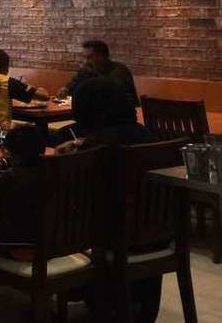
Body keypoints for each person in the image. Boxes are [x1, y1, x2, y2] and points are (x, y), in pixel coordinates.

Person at [55, 77, 158, 322]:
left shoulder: (97, 147)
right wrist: (81, 143)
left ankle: (73, 292)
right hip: (155, 233)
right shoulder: (148, 137)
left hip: (112, 237)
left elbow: (75, 195)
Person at [0, 125, 46, 257]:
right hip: (49, 240)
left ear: (15, 156)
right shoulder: (52, 170)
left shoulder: (12, 177)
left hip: (17, 244)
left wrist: (0, 162)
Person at [58, 40, 138, 107]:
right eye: (84, 57)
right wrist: (65, 90)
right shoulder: (86, 70)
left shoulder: (119, 71)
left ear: (102, 57)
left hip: (122, 116)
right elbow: (71, 87)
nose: (86, 61)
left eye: (89, 57)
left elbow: (116, 98)